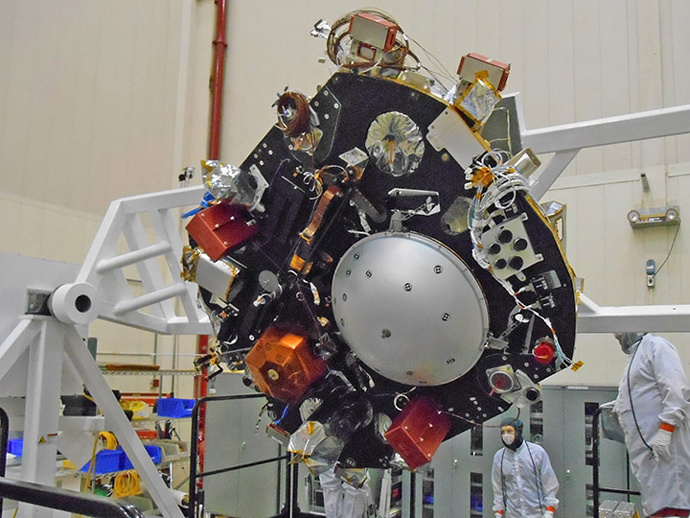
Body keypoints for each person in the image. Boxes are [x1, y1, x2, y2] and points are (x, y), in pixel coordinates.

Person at [613, 332, 690, 518]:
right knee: (657, 507)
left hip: (665, 446)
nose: (617, 337)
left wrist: (666, 430)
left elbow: (676, 390)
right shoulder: (634, 357)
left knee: (673, 504)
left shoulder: (656, 346)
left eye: (619, 332)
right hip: (647, 451)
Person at [492, 417, 559, 518]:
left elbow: (549, 482)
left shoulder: (537, 452)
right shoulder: (499, 457)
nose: (506, 435)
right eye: (503, 432)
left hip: (537, 514)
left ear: (518, 431)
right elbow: (498, 487)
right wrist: (499, 512)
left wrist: (549, 511)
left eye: (509, 431)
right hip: (513, 514)